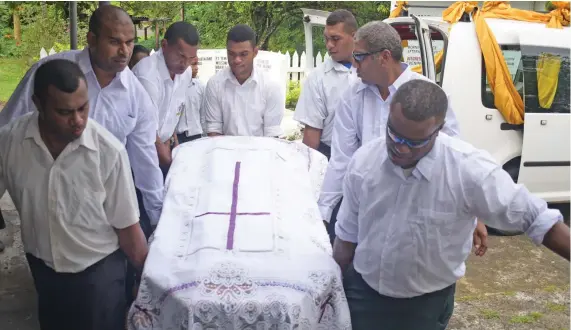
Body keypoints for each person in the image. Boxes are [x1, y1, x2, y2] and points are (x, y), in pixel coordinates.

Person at [334, 79, 570, 330]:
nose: (400, 148)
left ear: (439, 130)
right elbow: (347, 233)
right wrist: (334, 285)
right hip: (363, 291)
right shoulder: (364, 162)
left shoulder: (469, 170)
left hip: (425, 305)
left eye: (415, 143)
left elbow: (536, 218)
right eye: (393, 134)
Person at [0, 59, 149, 330]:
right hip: (43, 271)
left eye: (83, 108)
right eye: (64, 112)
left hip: (98, 277)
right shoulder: (10, 142)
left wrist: (146, 280)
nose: (78, 120)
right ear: (37, 104)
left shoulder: (108, 152)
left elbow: (129, 229)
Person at [319, 21, 488, 252]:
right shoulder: (353, 96)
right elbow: (341, 160)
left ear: (384, 57)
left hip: (416, 204)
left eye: (358, 57)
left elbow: (453, 157)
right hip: (367, 203)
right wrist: (324, 213)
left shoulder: (429, 94)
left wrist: (474, 212)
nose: (353, 64)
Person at [0, 5, 163, 236]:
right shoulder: (49, 75)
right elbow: (5, 135)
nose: (124, 51)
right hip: (49, 205)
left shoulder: (136, 96)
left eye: (129, 42)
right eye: (115, 42)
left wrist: (157, 217)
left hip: (105, 209)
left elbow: (145, 159)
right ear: (92, 39)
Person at [132, 21, 199, 170]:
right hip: (139, 150)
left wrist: (172, 137)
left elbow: (172, 109)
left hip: (164, 145)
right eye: (181, 56)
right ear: (164, 45)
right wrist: (171, 162)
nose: (185, 63)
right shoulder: (147, 75)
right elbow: (146, 130)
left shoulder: (185, 73)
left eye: (190, 58)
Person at [294, 9, 358, 160]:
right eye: (326, 38)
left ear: (354, 36)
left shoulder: (371, 72)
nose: (329, 45)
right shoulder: (318, 78)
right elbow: (311, 135)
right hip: (329, 155)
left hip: (366, 156)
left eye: (335, 39)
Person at [204, 24, 284, 137]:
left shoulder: (270, 86)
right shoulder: (215, 84)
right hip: (225, 152)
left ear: (255, 52)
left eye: (243, 54)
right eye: (231, 54)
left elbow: (272, 135)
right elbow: (214, 130)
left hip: (260, 152)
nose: (237, 60)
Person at [175, 58, 205, 144]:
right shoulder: (173, 88)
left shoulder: (200, 87)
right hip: (178, 137)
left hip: (196, 136)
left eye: (197, 64)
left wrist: (205, 137)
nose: (196, 68)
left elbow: (203, 114)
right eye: (193, 64)